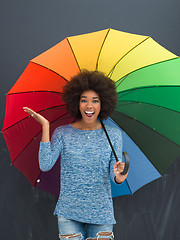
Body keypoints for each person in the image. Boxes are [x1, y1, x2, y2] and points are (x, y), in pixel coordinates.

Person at [23, 70, 128, 240]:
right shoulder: (62, 133)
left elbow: (113, 174)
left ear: (103, 104)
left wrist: (119, 177)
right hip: (69, 212)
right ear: (76, 103)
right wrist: (45, 127)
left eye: (95, 101)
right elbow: (45, 164)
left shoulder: (113, 134)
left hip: (101, 213)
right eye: (84, 100)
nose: (89, 106)